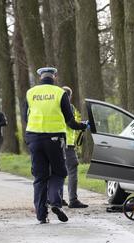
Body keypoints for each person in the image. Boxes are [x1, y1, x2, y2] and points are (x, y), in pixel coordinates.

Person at [24, 67, 87, 224]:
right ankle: (55, 202)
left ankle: (41, 215)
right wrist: (83, 126)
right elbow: (70, 121)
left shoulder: (30, 93)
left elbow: (27, 116)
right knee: (59, 172)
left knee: (39, 177)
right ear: (55, 77)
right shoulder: (60, 93)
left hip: (34, 138)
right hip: (54, 139)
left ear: (40, 78)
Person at [61, 86, 88, 209]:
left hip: (56, 142)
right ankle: (73, 199)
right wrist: (83, 125)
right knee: (72, 169)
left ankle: (57, 198)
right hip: (67, 143)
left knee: (58, 171)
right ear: (70, 96)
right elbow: (71, 123)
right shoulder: (69, 107)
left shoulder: (54, 107)